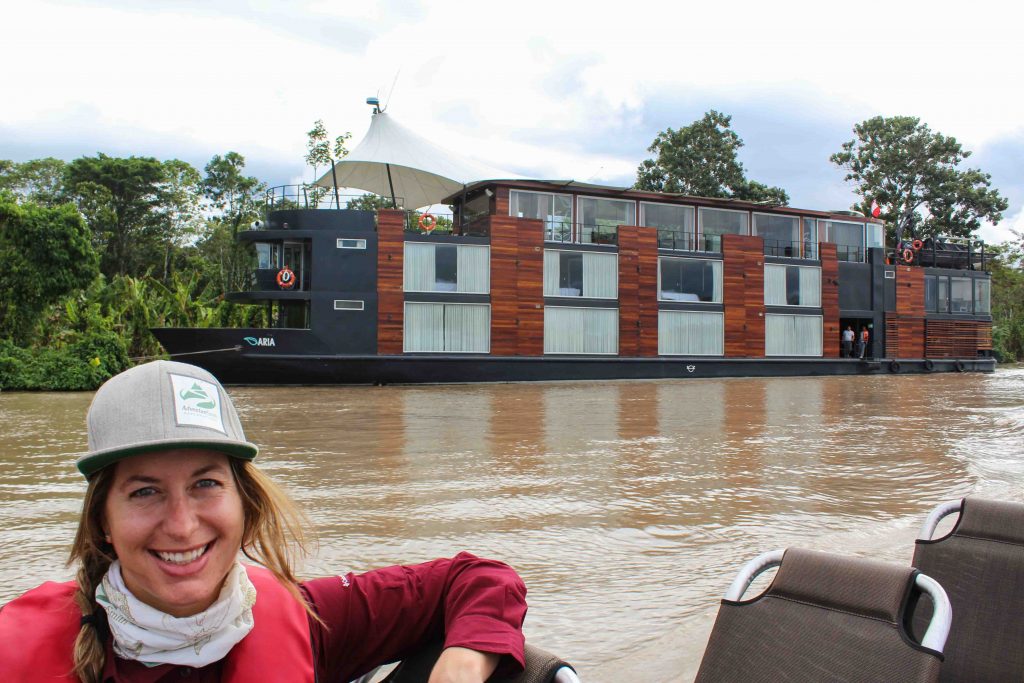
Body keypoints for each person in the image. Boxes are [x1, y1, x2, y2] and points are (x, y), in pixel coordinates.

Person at [0, 360, 527, 683]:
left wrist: (462, 662)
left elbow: (477, 578)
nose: (182, 526)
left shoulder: (310, 619)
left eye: (206, 484)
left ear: (245, 506)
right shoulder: (17, 649)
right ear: (103, 523)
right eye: (144, 492)